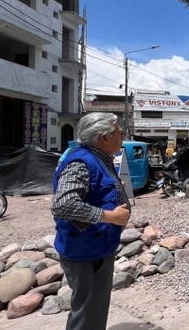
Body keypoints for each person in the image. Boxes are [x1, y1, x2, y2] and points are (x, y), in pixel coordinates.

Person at [50, 112, 131, 330]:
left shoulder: (97, 158)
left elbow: (92, 191)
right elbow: (63, 204)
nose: (123, 136)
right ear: (104, 137)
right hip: (86, 252)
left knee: (93, 310)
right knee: (87, 313)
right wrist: (110, 216)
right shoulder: (81, 163)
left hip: (96, 247)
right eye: (120, 133)